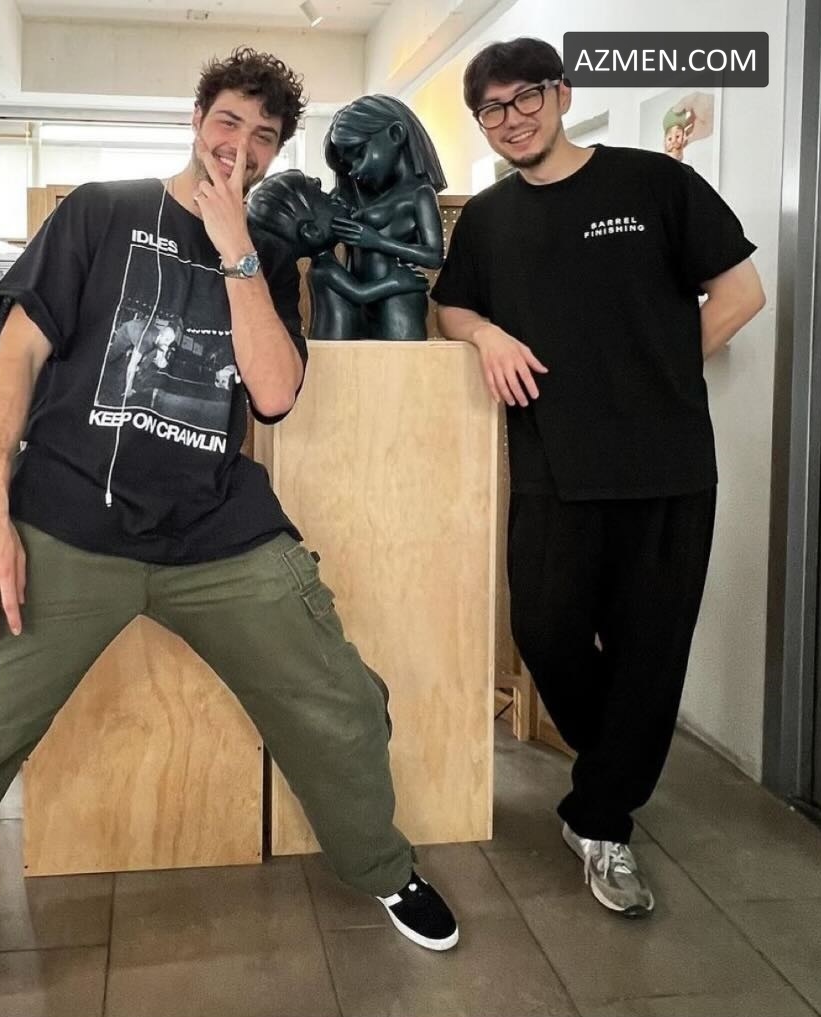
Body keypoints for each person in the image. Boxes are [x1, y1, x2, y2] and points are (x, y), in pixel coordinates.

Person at [0, 46, 458, 1017]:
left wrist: (236, 249)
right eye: (228, 122)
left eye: (264, 137)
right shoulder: (100, 211)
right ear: (196, 119)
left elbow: (274, 393)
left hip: (215, 532)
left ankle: (383, 868)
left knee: (341, 702)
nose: (241, 147)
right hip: (65, 523)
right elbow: (16, 364)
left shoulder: (267, 256)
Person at [432, 37, 765, 918]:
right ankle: (613, 768)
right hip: (552, 464)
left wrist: (663, 370)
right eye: (492, 109)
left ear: (562, 93)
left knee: (650, 651)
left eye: (525, 97)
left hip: (666, 467)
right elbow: (449, 303)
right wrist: (484, 334)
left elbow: (741, 291)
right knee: (543, 629)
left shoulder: (652, 184)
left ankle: (601, 819)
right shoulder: (489, 219)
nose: (511, 118)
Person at [246, 168, 429, 339]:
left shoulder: (330, 263)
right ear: (313, 232)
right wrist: (395, 282)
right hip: (333, 341)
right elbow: (360, 293)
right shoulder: (325, 269)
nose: (335, 195)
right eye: (327, 199)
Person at [324, 95, 446, 339]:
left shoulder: (420, 194)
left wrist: (377, 241)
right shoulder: (360, 197)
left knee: (399, 362)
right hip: (361, 297)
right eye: (349, 164)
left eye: (360, 154)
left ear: (395, 134)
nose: (354, 170)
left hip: (397, 298)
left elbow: (433, 256)